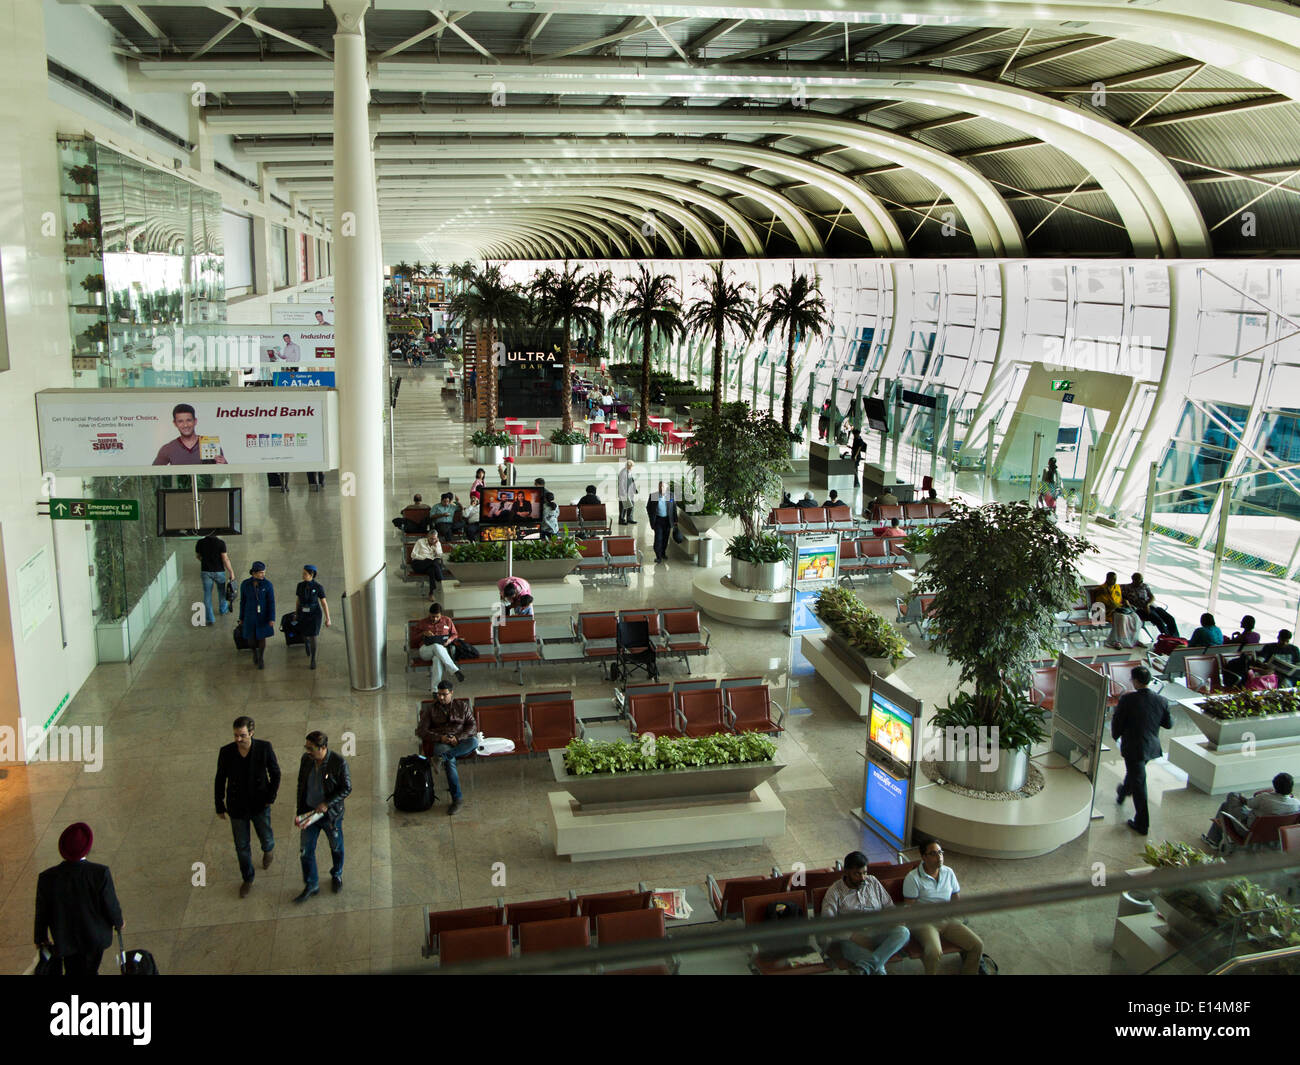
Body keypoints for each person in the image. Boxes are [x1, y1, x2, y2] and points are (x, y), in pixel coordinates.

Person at [34, 823, 124, 976]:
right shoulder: (99, 873)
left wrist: (40, 937)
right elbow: (110, 903)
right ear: (87, 848)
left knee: (72, 969)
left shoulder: (47, 878)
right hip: (94, 936)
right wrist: (118, 921)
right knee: (90, 969)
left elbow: (42, 911)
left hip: (64, 938)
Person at [214, 716, 281, 898]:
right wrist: (219, 804)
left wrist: (270, 796)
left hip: (259, 803)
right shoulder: (226, 752)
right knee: (241, 846)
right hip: (237, 806)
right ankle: (248, 878)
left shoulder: (264, 748)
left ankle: (268, 850)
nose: (238, 739)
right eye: (236, 735)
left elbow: (275, 773)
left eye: (242, 735)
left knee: (265, 835)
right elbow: (220, 778)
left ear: (251, 733)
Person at [819, 851, 910, 975]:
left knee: (903, 932)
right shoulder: (835, 892)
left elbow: (889, 907)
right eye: (857, 874)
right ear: (846, 872)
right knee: (879, 971)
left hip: (878, 931)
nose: (862, 878)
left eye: (865, 873)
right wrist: (853, 936)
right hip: (852, 941)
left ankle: (864, 967)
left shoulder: (872, 882)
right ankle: (872, 965)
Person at [902, 839, 984, 975]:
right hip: (924, 921)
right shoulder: (913, 878)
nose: (939, 856)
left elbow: (955, 897)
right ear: (924, 857)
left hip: (946, 918)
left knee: (976, 945)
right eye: (933, 853)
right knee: (934, 951)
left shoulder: (948, 872)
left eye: (940, 852)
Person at [1112, 665, 1174, 836]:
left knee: (1139, 783)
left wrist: (1116, 735)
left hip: (1134, 746)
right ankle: (1123, 791)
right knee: (1135, 774)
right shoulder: (1161, 700)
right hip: (1150, 746)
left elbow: (1118, 721)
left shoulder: (1128, 700)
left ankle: (1142, 823)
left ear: (1136, 681)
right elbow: (1168, 724)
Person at [295, 730, 350, 901]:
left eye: (311, 749)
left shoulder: (338, 762)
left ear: (323, 748)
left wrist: (327, 803)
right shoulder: (306, 760)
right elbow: (301, 784)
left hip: (330, 816)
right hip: (310, 813)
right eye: (306, 748)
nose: (308, 752)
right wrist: (300, 812)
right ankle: (311, 884)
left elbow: (346, 788)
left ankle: (337, 874)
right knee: (306, 851)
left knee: (336, 846)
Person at [416, 681, 478, 816]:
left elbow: (472, 726)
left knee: (473, 742)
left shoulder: (462, 706)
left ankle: (440, 758)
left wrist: (458, 738)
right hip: (441, 741)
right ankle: (457, 799)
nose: (441, 697)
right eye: (439, 694)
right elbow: (421, 731)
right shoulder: (431, 709)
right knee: (450, 763)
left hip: (459, 740)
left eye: (444, 694)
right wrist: (441, 738)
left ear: (452, 693)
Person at [1204, 773, 1300, 847]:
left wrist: (1242, 797)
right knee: (1225, 806)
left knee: (1232, 796)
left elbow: (1248, 804)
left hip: (1248, 831)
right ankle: (1212, 839)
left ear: (1275, 786)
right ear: (1291, 788)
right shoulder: (1296, 804)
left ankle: (1213, 840)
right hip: (1275, 834)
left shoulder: (1264, 798)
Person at [152, 402, 227, 465]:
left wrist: (224, 464)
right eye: (180, 421)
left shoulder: (211, 444)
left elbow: (224, 475)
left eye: (188, 420)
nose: (185, 425)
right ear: (175, 423)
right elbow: (154, 474)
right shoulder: (168, 448)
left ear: (195, 421)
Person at [418, 604, 465, 690]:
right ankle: (454, 670)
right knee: (436, 645)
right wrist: (423, 633)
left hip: (441, 652)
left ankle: (435, 690)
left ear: (441, 615)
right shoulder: (423, 622)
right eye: (432, 616)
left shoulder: (447, 620)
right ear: (429, 614)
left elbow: (455, 634)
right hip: (425, 650)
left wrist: (449, 640)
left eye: (437, 617)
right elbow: (414, 639)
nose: (435, 619)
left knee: (437, 659)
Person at [238, 562, 275, 670]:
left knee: (262, 637)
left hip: (263, 615)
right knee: (251, 638)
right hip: (249, 615)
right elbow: (243, 602)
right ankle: (254, 652)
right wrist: (241, 617)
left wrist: (272, 617)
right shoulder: (245, 584)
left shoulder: (267, 585)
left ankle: (261, 657)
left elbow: (271, 602)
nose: (263, 575)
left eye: (264, 572)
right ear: (254, 573)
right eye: (261, 573)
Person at [295, 565, 330, 670]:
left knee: (313, 635)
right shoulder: (300, 586)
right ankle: (306, 643)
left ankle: (313, 658)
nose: (303, 575)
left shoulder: (318, 587)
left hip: (314, 614)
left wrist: (328, 618)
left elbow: (324, 603)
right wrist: (296, 613)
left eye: (305, 574)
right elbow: (298, 600)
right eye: (303, 573)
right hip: (303, 612)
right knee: (304, 634)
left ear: (312, 575)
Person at [196, 531, 235, 626]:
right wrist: (231, 572)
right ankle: (223, 610)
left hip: (206, 571)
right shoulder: (221, 543)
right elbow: (225, 559)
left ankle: (210, 618)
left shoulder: (200, 542)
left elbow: (198, 556)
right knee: (221, 592)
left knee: (207, 595)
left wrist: (205, 561)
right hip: (219, 571)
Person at [1122, 573, 1179, 638]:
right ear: (1133, 579)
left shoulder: (1144, 586)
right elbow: (1124, 599)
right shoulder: (1127, 588)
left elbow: (1152, 597)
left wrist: (1148, 604)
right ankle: (1167, 637)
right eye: (1139, 580)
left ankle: (1176, 637)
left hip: (1151, 606)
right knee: (1158, 619)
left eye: (1142, 580)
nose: (1141, 582)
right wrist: (1128, 604)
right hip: (1139, 609)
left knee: (1170, 618)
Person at [647, 479, 678, 563]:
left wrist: (675, 521)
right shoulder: (653, 496)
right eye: (660, 486)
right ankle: (658, 556)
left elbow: (673, 508)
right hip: (658, 521)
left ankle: (663, 553)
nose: (661, 488)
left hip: (667, 521)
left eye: (663, 486)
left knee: (665, 539)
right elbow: (648, 508)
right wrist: (651, 518)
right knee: (658, 539)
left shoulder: (671, 496)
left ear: (666, 487)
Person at [409, 532, 445, 598]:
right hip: (419, 564)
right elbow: (413, 555)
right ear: (428, 536)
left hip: (430, 566)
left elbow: (440, 556)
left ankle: (431, 593)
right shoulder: (420, 542)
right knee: (432, 562)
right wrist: (425, 559)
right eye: (431, 539)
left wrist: (436, 547)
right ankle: (441, 580)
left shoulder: (437, 543)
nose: (433, 540)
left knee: (432, 570)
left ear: (437, 538)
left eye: (434, 539)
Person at [617, 459, 638, 525]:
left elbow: (632, 481)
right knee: (623, 507)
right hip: (624, 492)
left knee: (631, 505)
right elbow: (621, 484)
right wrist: (623, 493)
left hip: (630, 492)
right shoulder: (623, 473)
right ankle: (621, 520)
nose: (632, 468)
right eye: (631, 466)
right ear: (628, 466)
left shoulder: (629, 472)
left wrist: (635, 489)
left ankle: (629, 518)